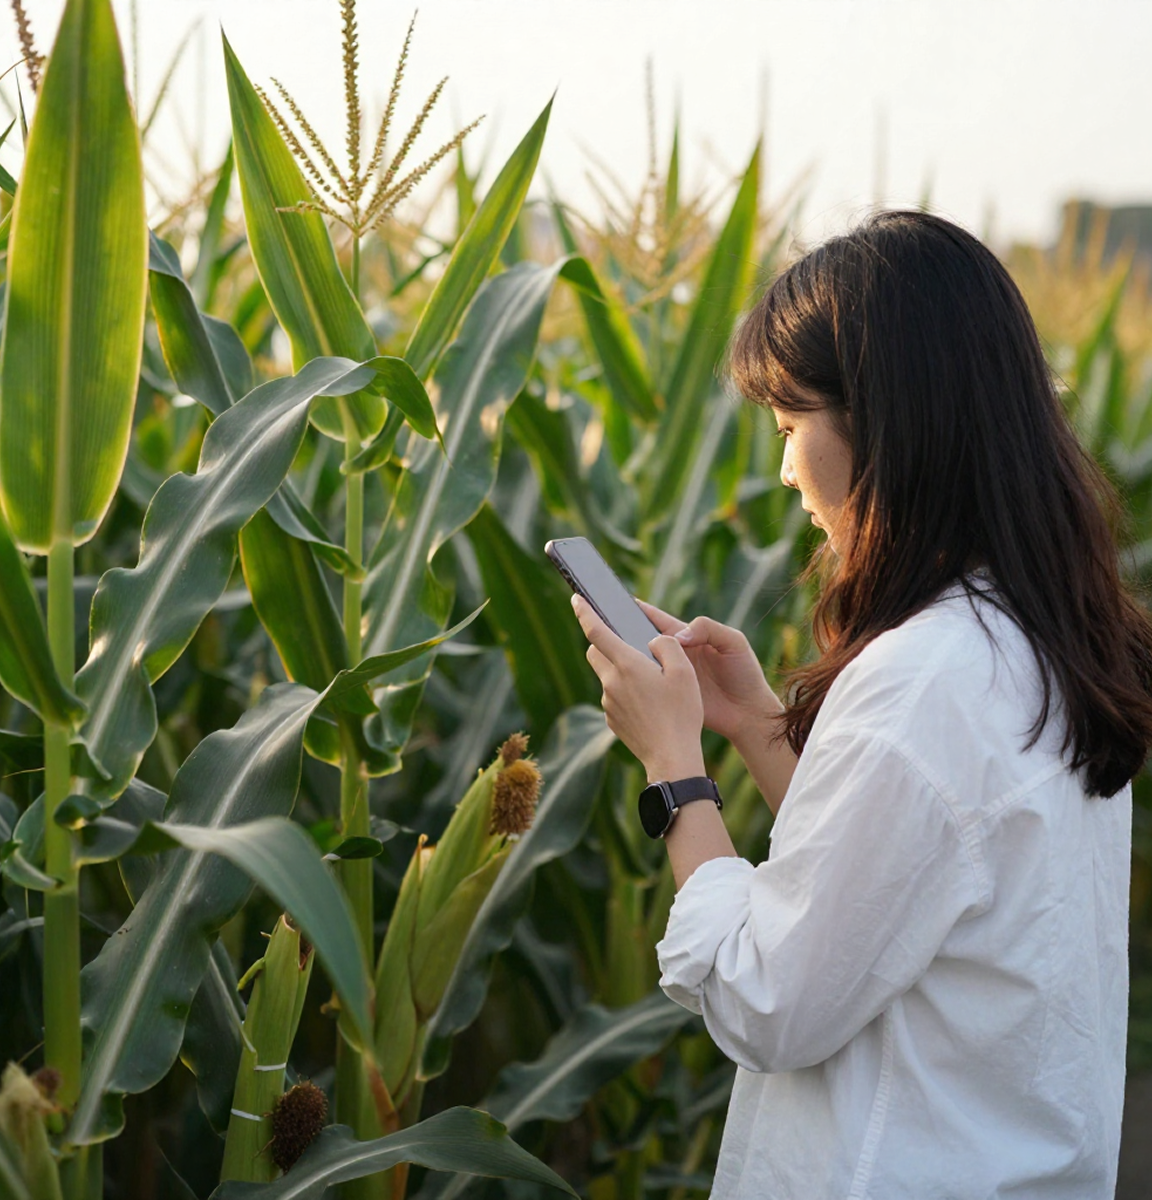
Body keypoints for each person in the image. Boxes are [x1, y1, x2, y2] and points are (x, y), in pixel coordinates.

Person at [571, 210, 1152, 1199]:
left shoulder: (922, 681)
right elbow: (905, 882)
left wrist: (675, 770)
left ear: (886, 425)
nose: (785, 467)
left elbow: (771, 999)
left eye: (792, 426)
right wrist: (755, 725)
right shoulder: (1034, 636)